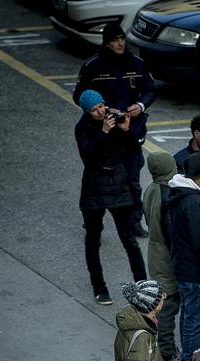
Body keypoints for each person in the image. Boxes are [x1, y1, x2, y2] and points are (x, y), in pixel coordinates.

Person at [73, 21, 156, 238]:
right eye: (115, 40)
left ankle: (135, 222)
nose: (120, 43)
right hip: (102, 132)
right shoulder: (92, 66)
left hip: (131, 132)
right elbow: (78, 96)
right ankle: (92, 219)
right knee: (96, 179)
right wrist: (102, 108)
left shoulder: (137, 64)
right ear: (107, 43)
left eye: (122, 39)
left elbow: (150, 90)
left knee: (132, 180)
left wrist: (140, 106)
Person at [74, 89, 147, 305]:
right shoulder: (83, 128)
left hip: (118, 185)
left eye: (101, 105)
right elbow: (88, 156)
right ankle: (100, 288)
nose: (100, 111)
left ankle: (143, 287)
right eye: (95, 109)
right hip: (94, 188)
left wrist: (126, 130)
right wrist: (104, 132)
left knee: (130, 241)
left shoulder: (113, 120)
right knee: (93, 240)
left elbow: (133, 151)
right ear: (87, 112)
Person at [167, 153, 200, 361]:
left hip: (181, 266)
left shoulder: (180, 193)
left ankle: (187, 359)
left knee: (187, 315)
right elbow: (199, 241)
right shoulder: (195, 202)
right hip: (195, 272)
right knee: (194, 320)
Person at [142, 152, 182, 361]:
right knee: (168, 305)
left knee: (164, 301)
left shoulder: (151, 189)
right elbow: (170, 230)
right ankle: (167, 353)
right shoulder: (165, 193)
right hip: (165, 256)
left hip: (154, 251)